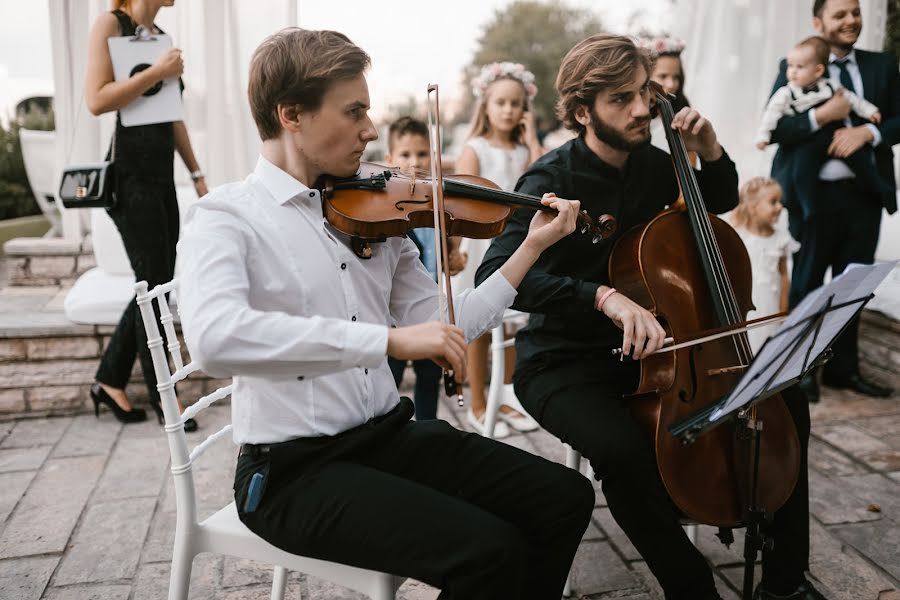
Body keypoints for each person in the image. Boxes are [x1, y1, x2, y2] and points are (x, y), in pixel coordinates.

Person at [176, 28, 594, 599]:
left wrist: (531, 248)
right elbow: (214, 339)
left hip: (384, 440)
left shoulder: (373, 213)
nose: (371, 130)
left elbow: (451, 324)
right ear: (291, 114)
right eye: (354, 112)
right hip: (292, 474)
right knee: (488, 552)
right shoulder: (225, 217)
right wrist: (386, 342)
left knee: (563, 497)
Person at [477, 34, 824, 600]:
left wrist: (710, 150)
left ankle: (786, 580)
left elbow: (720, 197)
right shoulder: (549, 180)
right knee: (622, 452)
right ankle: (690, 586)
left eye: (643, 92)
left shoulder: (657, 166)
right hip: (568, 362)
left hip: (664, 350)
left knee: (784, 400)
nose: (642, 109)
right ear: (583, 112)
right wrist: (601, 296)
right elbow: (500, 279)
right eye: (621, 99)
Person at [85, 0, 206, 429]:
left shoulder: (159, 38)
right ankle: (165, 398)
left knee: (153, 283)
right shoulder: (109, 24)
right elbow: (96, 100)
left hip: (160, 179)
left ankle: (109, 380)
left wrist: (196, 174)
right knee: (153, 288)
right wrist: (157, 72)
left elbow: (172, 115)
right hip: (129, 179)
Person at [768, 0, 897, 402]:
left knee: (853, 284)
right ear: (818, 21)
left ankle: (844, 369)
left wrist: (867, 135)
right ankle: (800, 371)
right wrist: (824, 115)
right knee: (807, 284)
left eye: (855, 11)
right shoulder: (795, 65)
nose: (851, 20)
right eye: (840, 14)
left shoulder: (881, 65)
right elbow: (778, 128)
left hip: (864, 196)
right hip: (812, 199)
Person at [453, 61, 545, 437]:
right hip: (479, 246)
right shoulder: (474, 149)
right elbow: (455, 205)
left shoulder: (526, 150)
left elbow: (543, 184)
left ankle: (503, 397)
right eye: (501, 102)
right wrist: (453, 250)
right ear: (486, 106)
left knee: (509, 323)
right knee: (480, 324)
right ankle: (477, 401)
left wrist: (534, 137)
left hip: (516, 245)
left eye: (516, 104)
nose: (508, 110)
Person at [383, 116, 466, 420]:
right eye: (405, 155)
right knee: (388, 379)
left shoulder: (438, 207)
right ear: (389, 159)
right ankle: (384, 431)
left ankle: (427, 429)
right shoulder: (385, 211)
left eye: (422, 154)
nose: (414, 162)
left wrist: (454, 261)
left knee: (430, 378)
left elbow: (446, 259)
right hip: (393, 319)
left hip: (431, 315)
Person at [759, 36, 891, 209]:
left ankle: (878, 186)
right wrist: (762, 136)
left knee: (859, 160)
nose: (792, 72)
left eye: (799, 67)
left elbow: (852, 99)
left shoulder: (829, 85)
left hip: (835, 136)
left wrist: (870, 111)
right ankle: (808, 205)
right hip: (810, 141)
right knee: (803, 168)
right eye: (791, 66)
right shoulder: (786, 93)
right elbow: (770, 116)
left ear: (818, 70)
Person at [729, 178, 800, 353]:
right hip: (745, 307)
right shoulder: (737, 236)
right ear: (753, 208)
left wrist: (783, 311)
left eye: (780, 201)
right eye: (773, 202)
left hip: (770, 305)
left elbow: (784, 276)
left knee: (766, 347)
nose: (780, 207)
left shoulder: (781, 238)